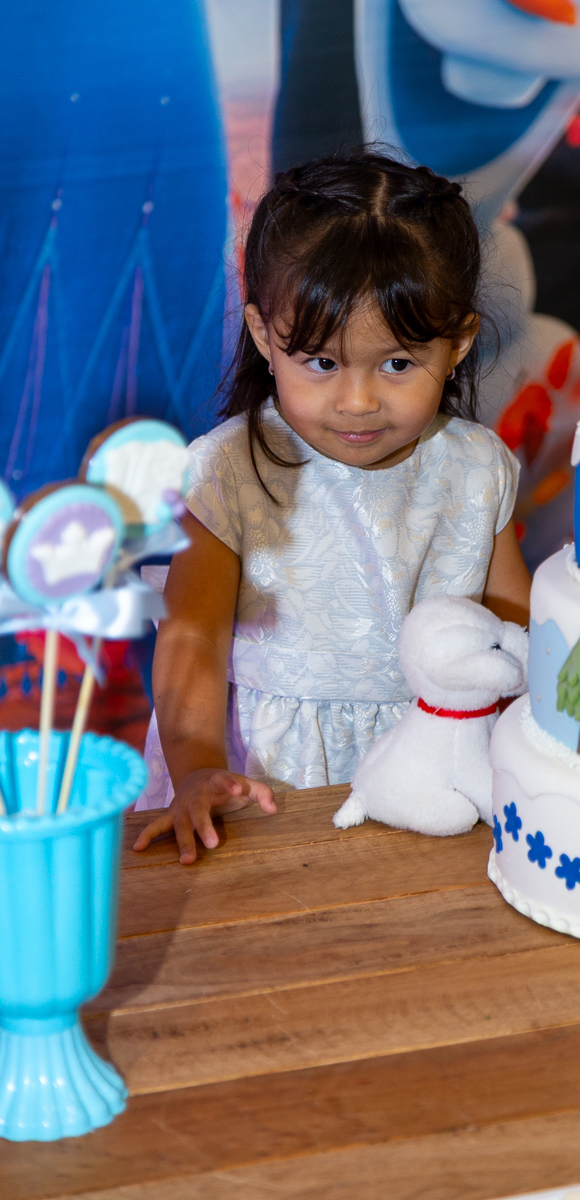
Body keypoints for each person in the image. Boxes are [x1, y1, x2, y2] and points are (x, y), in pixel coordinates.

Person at [133, 149, 531, 865]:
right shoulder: (230, 472)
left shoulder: (475, 469)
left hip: (439, 769)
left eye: (398, 364)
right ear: (263, 336)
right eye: (321, 362)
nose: (357, 401)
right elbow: (191, 639)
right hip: (266, 784)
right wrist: (195, 765)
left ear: (458, 342)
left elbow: (516, 626)